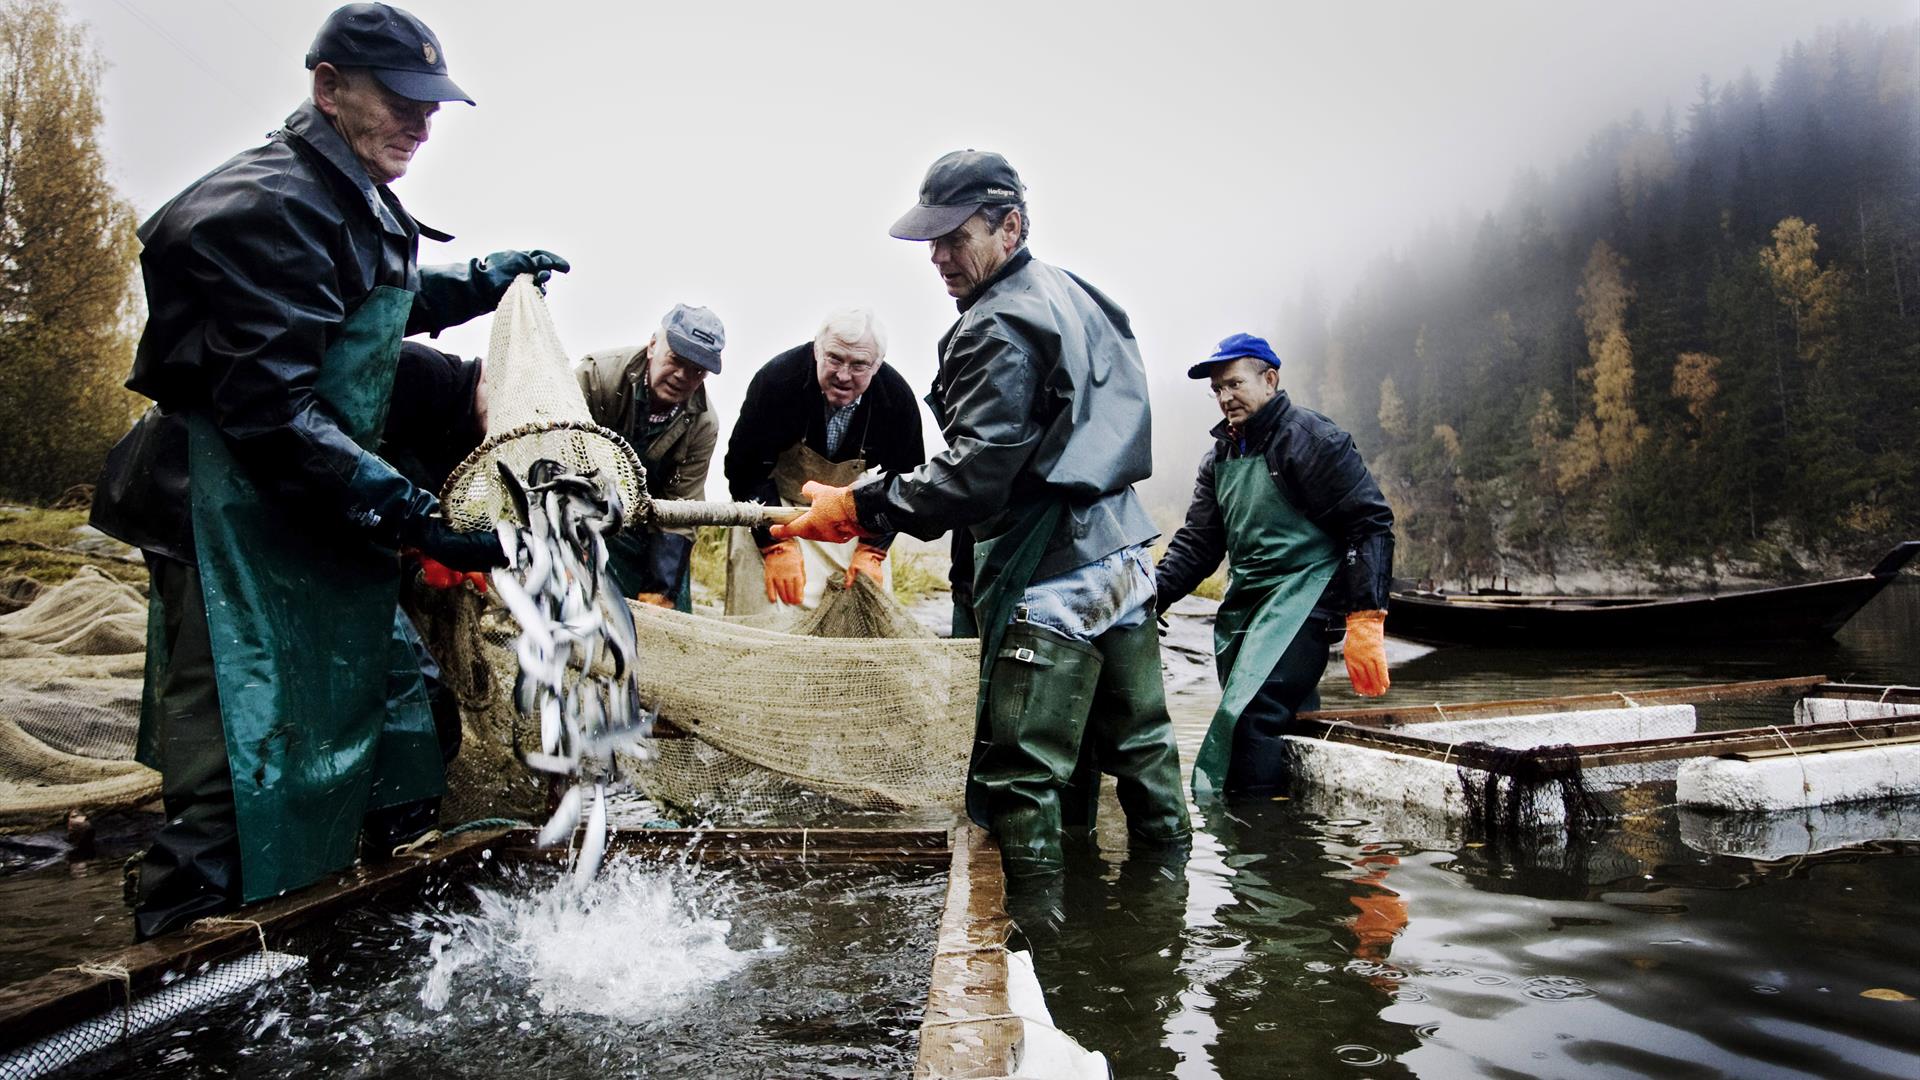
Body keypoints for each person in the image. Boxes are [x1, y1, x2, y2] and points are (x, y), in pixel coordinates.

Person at [89, 2, 567, 938]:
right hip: (228, 519)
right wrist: (420, 517)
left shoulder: (349, 192)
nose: (422, 124)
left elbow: (366, 306)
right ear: (328, 87)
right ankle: (168, 989)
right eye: (400, 100)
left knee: (406, 739)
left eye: (433, 106)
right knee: (236, 780)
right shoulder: (262, 205)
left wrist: (477, 282)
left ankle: (352, 943)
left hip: (315, 516)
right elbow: (273, 414)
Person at [773, 149, 1191, 876]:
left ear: (1010, 226)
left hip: (1051, 574)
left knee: (1019, 781)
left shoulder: (995, 324)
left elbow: (976, 476)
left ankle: (1032, 952)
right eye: (930, 240)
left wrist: (858, 508)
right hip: (1125, 561)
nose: (936, 255)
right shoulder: (1078, 294)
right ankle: (1165, 936)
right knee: (1144, 753)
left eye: (953, 236)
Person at [1153, 333, 1394, 798]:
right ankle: (1300, 834)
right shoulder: (1218, 458)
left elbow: (1370, 523)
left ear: (1270, 379)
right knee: (1286, 717)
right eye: (1217, 389)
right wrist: (1150, 597)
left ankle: (1252, 848)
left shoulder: (1312, 440)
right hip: (1246, 606)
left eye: (1234, 384)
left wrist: (1366, 617)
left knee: (1250, 716)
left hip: (1306, 598)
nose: (1225, 397)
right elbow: (1198, 546)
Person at [722, 308, 926, 612]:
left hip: (844, 514)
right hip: (774, 509)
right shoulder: (777, 381)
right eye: (834, 358)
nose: (844, 375)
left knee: (861, 619)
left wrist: (873, 551)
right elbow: (742, 469)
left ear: (877, 364)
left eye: (858, 365)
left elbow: (905, 482)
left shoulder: (896, 399)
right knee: (764, 618)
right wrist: (774, 546)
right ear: (817, 349)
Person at [575, 304, 725, 611]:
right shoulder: (595, 377)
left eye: (697, 370)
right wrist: (571, 540)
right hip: (584, 508)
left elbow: (683, 507)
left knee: (669, 605)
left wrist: (661, 588)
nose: (683, 376)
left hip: (651, 525)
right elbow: (556, 459)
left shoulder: (704, 423)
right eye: (677, 360)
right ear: (653, 346)